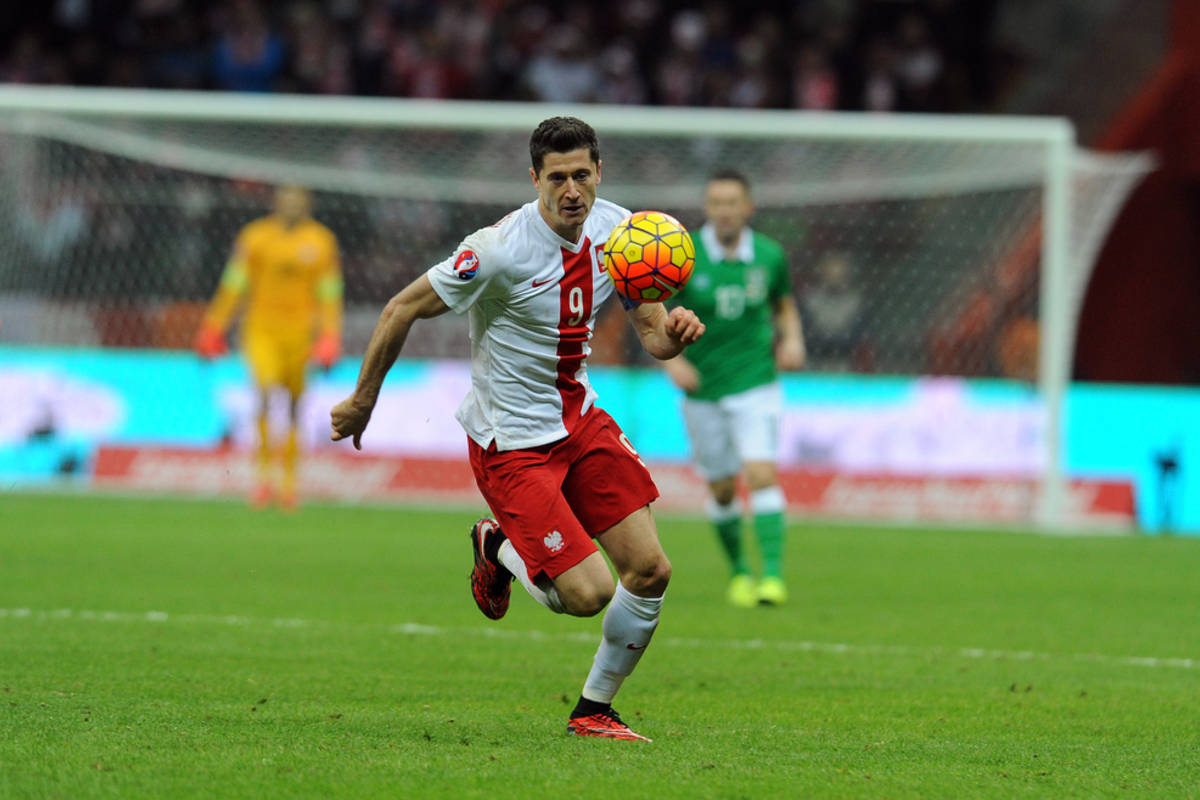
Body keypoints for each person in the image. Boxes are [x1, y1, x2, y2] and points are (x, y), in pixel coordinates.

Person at [330, 117, 705, 742]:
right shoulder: (497, 250)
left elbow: (653, 335)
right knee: (586, 595)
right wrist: (363, 400)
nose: (571, 191)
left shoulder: (622, 234)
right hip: (512, 445)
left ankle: (594, 711)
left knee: (650, 571)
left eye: (581, 175)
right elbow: (401, 308)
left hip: (579, 421)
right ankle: (497, 544)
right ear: (535, 179)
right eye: (556, 178)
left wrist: (676, 334)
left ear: (599, 173)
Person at [663, 168, 805, 608]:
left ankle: (773, 577)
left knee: (761, 474)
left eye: (732, 202)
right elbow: (653, 311)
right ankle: (740, 572)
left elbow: (783, 304)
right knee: (723, 489)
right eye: (716, 203)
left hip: (756, 381)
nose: (724, 211)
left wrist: (793, 339)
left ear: (748, 207)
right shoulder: (682, 255)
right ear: (707, 208)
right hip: (703, 387)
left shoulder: (769, 255)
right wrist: (673, 363)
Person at [195, 184, 343, 510]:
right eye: (286, 200)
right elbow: (235, 282)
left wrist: (330, 335)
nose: (292, 206)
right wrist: (214, 325)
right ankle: (263, 478)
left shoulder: (321, 241)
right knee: (263, 392)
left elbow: (329, 291)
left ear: (307, 204)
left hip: (301, 333)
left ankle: (289, 482)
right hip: (261, 329)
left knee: (294, 404)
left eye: (298, 200)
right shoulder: (255, 237)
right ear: (276, 203)